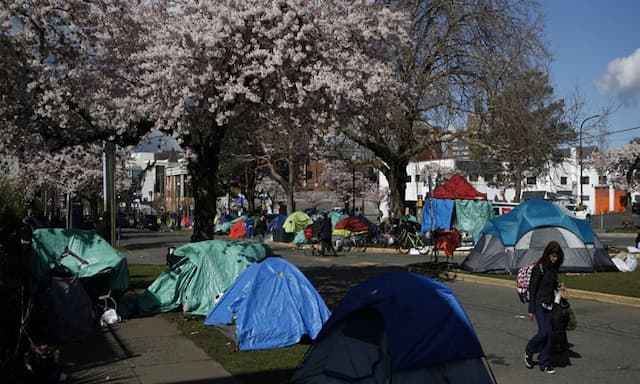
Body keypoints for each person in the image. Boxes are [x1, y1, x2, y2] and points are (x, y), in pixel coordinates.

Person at [524, 240, 565, 374]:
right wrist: (531, 310)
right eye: (553, 255)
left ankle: (545, 363)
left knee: (550, 335)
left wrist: (559, 286)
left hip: (550, 304)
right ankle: (529, 350)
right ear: (547, 254)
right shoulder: (539, 268)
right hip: (539, 304)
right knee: (543, 333)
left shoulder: (554, 268)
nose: (555, 258)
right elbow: (533, 288)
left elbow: (552, 284)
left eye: (557, 255)